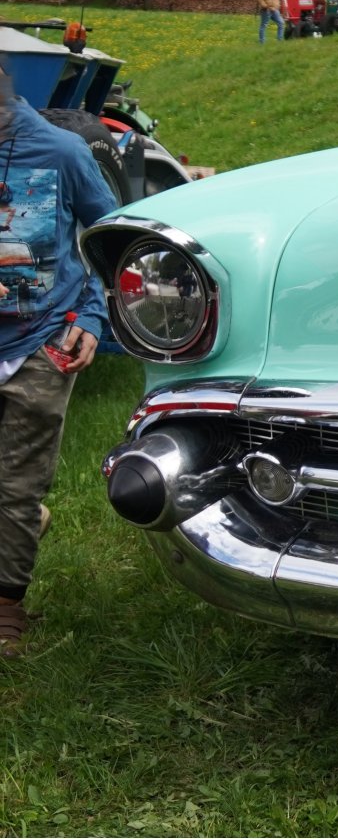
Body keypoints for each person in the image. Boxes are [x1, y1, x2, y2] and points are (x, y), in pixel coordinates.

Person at [0, 78, 117, 657]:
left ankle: (6, 608)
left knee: (15, 487)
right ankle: (22, 527)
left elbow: (112, 239)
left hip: (43, 341)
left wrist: (91, 316)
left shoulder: (61, 153)